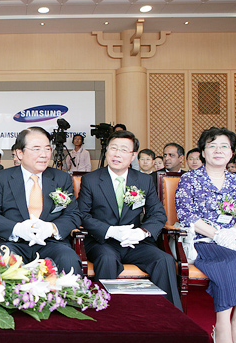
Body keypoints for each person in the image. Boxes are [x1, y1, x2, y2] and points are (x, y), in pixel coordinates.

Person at [175, 127, 236, 343]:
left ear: (231, 153)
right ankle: (222, 327)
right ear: (203, 152)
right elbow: (186, 215)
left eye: (224, 146)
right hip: (203, 240)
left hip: (232, 240)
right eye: (212, 145)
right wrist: (217, 235)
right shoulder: (190, 179)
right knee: (231, 262)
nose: (218, 150)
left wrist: (233, 233)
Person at [77, 130, 182, 310]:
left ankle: (170, 316)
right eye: (113, 148)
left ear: (133, 155)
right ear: (107, 150)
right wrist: (111, 231)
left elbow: (158, 214)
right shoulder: (91, 180)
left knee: (164, 260)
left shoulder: (143, 180)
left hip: (134, 242)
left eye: (124, 150)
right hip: (102, 242)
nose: (117, 154)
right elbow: (82, 215)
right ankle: (106, 315)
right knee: (107, 259)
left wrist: (142, 232)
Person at [0, 127, 82, 275]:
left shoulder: (61, 178)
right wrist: (17, 229)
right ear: (19, 153)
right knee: (1, 261)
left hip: (51, 243)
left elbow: (73, 215)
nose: (44, 154)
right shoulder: (2, 178)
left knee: (69, 260)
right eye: (36, 149)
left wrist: (51, 228)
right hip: (13, 243)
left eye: (47, 149)